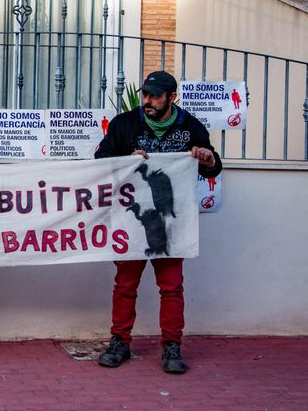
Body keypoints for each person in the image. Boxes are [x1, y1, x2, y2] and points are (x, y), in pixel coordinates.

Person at [94, 70, 222, 374]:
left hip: (171, 222)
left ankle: (171, 347)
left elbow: (213, 169)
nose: (148, 101)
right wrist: (127, 159)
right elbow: (100, 160)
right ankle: (119, 342)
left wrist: (206, 158)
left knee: (172, 286)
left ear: (171, 98)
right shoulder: (124, 124)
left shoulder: (191, 126)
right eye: (145, 95)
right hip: (132, 218)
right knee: (125, 284)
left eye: (155, 96)